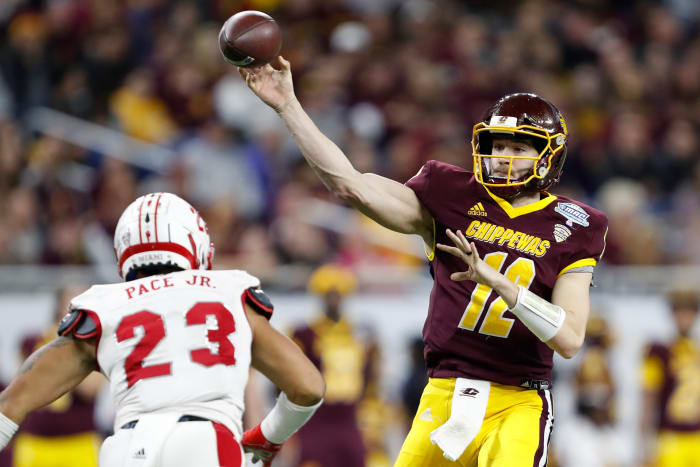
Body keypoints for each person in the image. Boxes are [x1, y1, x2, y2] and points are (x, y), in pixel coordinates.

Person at [239, 58, 608, 466]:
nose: (503, 157)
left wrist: (496, 281)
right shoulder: (451, 193)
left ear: (547, 156)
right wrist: (288, 104)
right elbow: (350, 185)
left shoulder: (577, 225)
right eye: (497, 145)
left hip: (519, 399)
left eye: (518, 147)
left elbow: (570, 337)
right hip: (445, 392)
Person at [0, 192, 325, 467]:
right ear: (195, 240)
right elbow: (307, 386)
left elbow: (13, 402)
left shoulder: (104, 304)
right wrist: (269, 435)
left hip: (126, 448)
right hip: (206, 442)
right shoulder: (228, 291)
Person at [289, 264, 380, 467]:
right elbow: (287, 382)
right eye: (328, 294)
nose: (333, 300)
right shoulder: (303, 334)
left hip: (351, 418)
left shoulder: (362, 333)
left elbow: (372, 380)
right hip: (316, 419)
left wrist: (373, 419)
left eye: (337, 295)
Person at [13, 286, 105, 467]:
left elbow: (90, 390)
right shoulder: (34, 340)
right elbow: (21, 387)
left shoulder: (97, 343)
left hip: (79, 442)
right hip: (36, 440)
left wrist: (70, 352)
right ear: (59, 305)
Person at [640, 288, 700, 467]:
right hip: (670, 438)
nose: (684, 318)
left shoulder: (696, 351)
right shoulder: (659, 352)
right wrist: (645, 444)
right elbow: (648, 397)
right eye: (680, 312)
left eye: (689, 313)